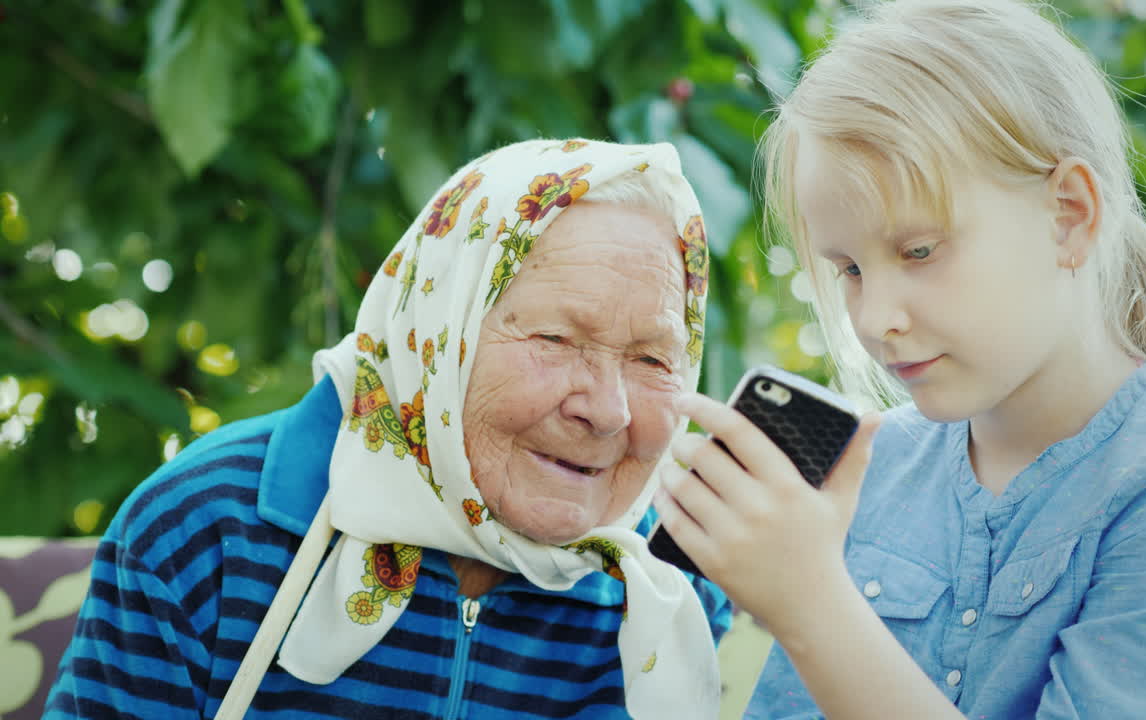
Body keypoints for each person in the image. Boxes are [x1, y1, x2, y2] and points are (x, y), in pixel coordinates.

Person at [653, 0, 1146, 717]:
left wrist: (811, 607)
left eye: (919, 251)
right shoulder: (877, 468)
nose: (876, 319)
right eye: (849, 270)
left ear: (1069, 216)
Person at [46, 138, 731, 719]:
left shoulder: (673, 593)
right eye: (555, 337)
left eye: (652, 359)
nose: (608, 409)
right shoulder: (206, 529)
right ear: (435, 334)